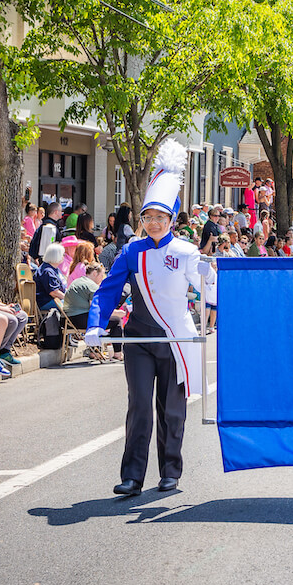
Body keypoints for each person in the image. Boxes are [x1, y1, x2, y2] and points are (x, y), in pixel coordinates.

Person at [85, 140, 208, 496]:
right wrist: (96, 323)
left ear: (172, 219)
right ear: (141, 221)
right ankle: (132, 476)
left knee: (172, 410)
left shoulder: (186, 251)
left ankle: (170, 470)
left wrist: (207, 275)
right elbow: (108, 290)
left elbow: (208, 292)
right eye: (148, 217)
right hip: (139, 337)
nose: (154, 223)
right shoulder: (131, 251)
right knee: (138, 405)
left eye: (161, 217)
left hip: (175, 340)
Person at [64, 262, 123, 362]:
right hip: (80, 319)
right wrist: (117, 313)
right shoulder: (91, 286)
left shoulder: (78, 281)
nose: (102, 278)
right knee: (116, 321)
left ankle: (94, 351)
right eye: (101, 275)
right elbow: (96, 308)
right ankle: (117, 353)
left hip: (69, 320)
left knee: (99, 320)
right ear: (95, 273)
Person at [34, 242, 69, 311]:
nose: (63, 257)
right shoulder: (47, 271)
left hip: (56, 299)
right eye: (62, 255)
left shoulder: (54, 268)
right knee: (74, 306)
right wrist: (69, 299)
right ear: (56, 256)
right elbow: (54, 292)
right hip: (47, 301)